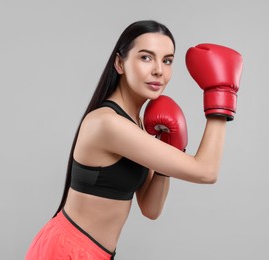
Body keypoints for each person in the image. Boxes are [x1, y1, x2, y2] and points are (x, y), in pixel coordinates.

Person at [25, 20, 243, 259]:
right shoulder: (108, 124)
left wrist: (168, 152)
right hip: (67, 251)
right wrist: (220, 96)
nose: (159, 70)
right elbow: (206, 172)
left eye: (167, 60)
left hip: (93, 252)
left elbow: (151, 208)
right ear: (120, 63)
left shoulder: (136, 124)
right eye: (146, 58)